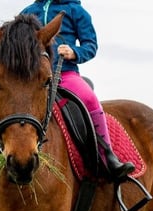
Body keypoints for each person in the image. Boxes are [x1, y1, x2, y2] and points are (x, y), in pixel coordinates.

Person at [21, 0, 134, 180]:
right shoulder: (28, 11)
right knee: (2, 97)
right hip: (31, 78)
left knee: (89, 99)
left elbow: (91, 45)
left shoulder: (77, 11)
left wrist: (74, 52)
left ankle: (108, 157)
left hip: (65, 73)